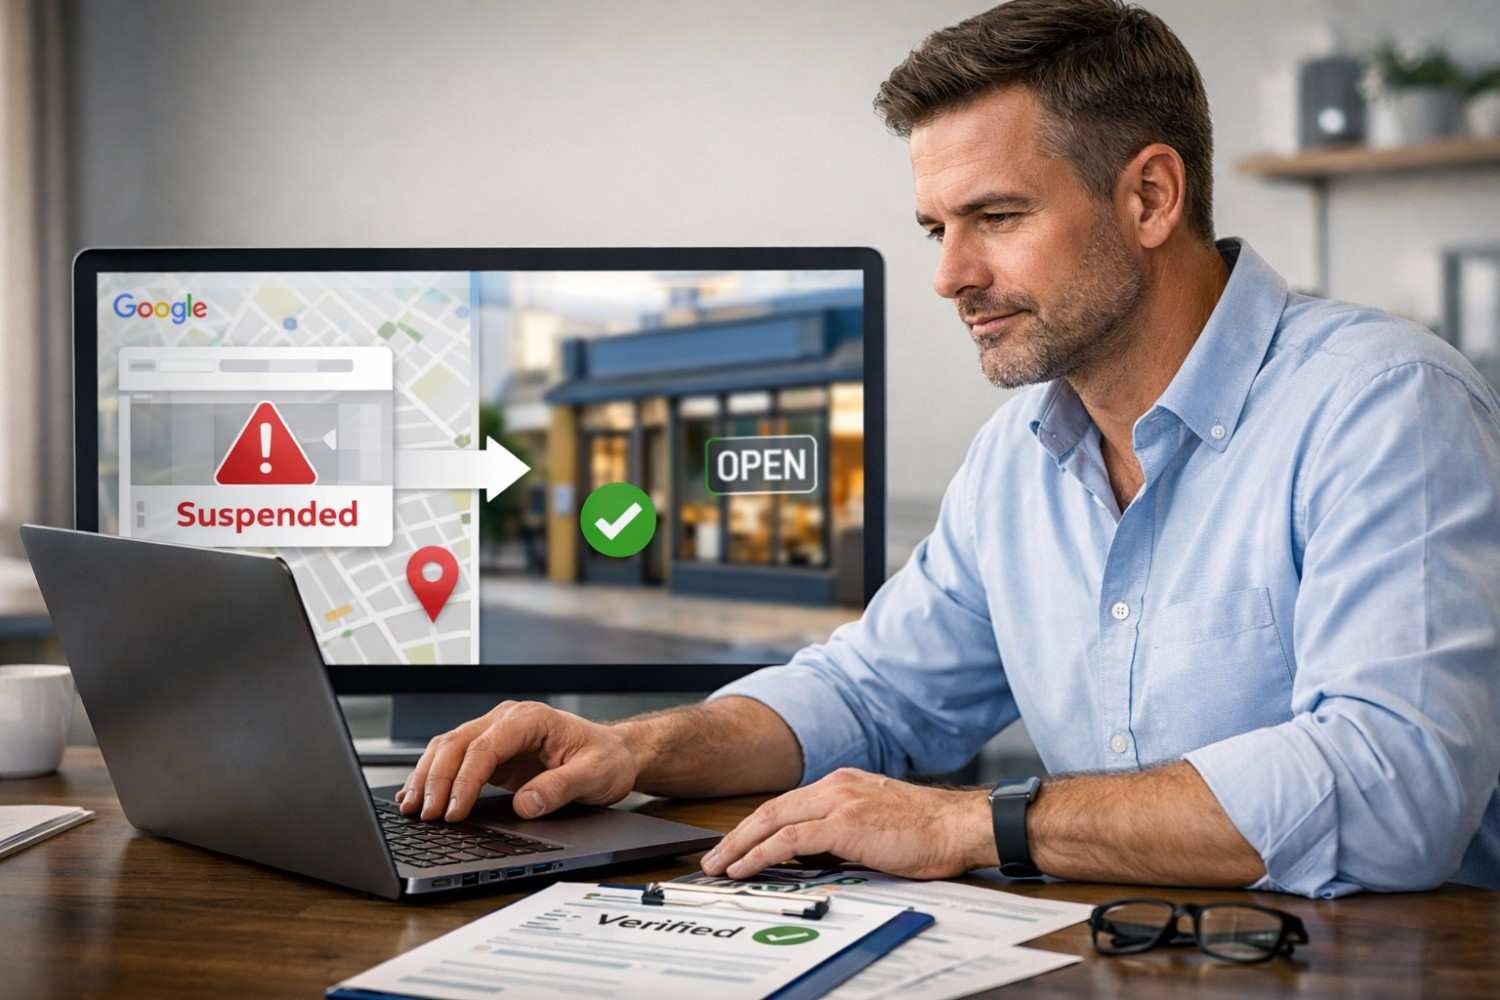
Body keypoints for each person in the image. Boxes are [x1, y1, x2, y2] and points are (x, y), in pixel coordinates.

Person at [397, 0, 1500, 897]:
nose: (949, 276)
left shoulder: (1384, 405)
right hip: (1133, 955)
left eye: (997, 218)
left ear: (1151, 196)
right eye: (937, 228)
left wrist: (972, 824)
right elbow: (871, 695)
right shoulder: (1019, 454)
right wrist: (632, 750)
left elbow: (1395, 791)